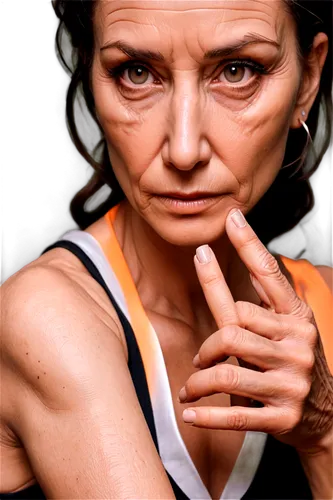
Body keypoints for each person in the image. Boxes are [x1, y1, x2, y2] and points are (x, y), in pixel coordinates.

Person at [1, 0, 332, 498]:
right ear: (92, 79)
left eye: (236, 71)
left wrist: (323, 433)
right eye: (136, 72)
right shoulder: (44, 316)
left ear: (308, 79)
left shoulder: (327, 304)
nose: (182, 149)